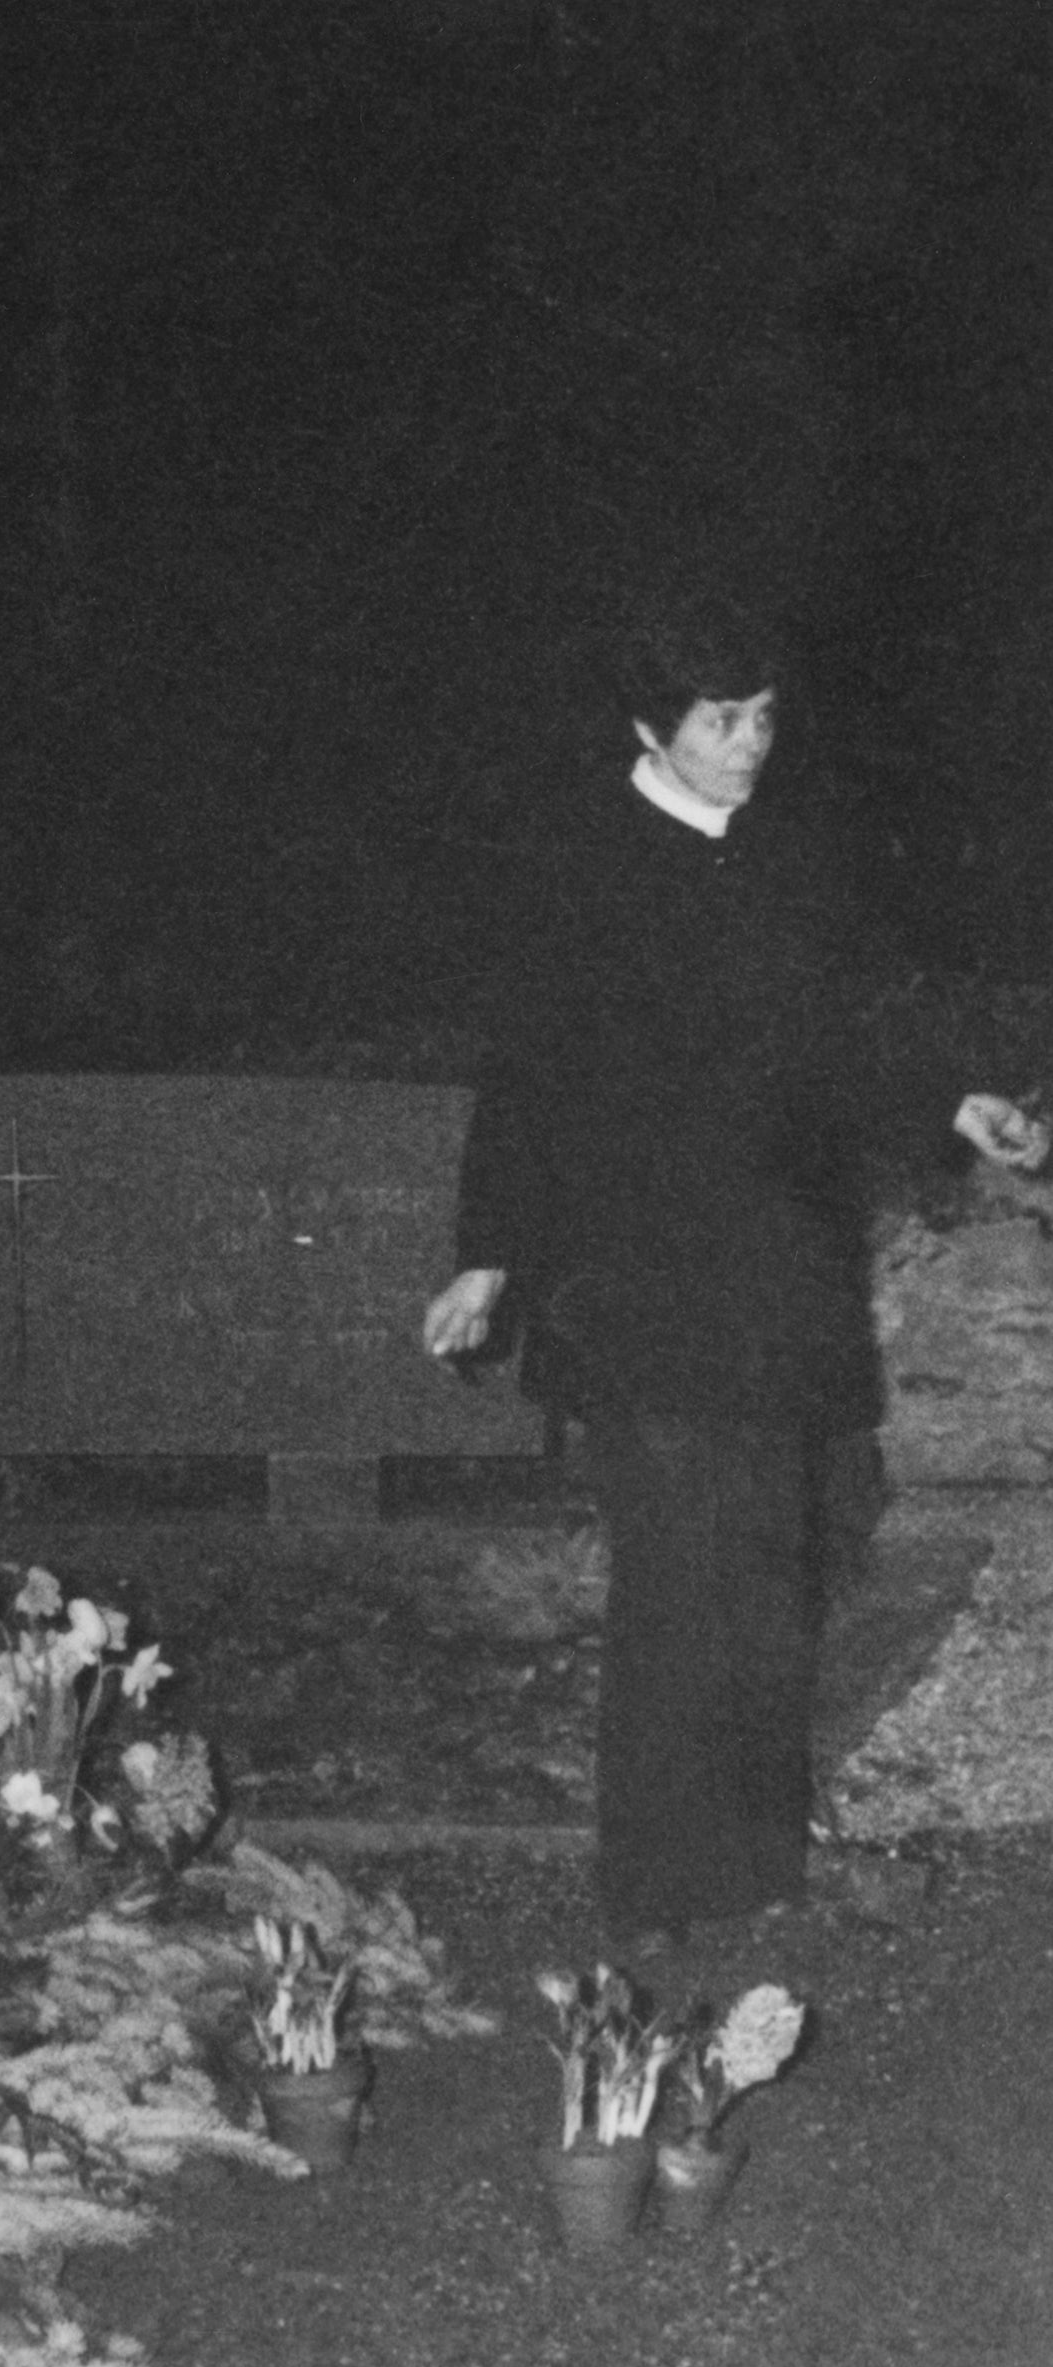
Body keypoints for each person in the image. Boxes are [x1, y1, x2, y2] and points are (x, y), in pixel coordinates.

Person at [423, 593, 891, 1953]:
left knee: (776, 1579)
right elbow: (528, 1079)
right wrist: (489, 1257)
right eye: (719, 722)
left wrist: (949, 1112)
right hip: (640, 1291)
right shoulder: (587, 870)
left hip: (779, 1281)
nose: (751, 745)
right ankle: (655, 1886)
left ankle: (759, 1866)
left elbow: (830, 1061)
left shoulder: (783, 859)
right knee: (682, 1581)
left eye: (762, 716)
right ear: (649, 726)